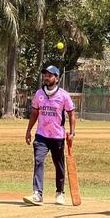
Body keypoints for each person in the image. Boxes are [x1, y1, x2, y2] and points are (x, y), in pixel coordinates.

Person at [23, 65, 76, 206]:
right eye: (45, 75)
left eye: (50, 75)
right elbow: (34, 113)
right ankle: (37, 194)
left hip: (57, 136)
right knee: (38, 160)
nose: (46, 77)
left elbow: (71, 113)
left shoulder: (63, 95)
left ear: (56, 78)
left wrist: (72, 132)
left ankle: (60, 193)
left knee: (59, 165)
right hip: (41, 135)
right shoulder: (39, 93)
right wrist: (28, 130)